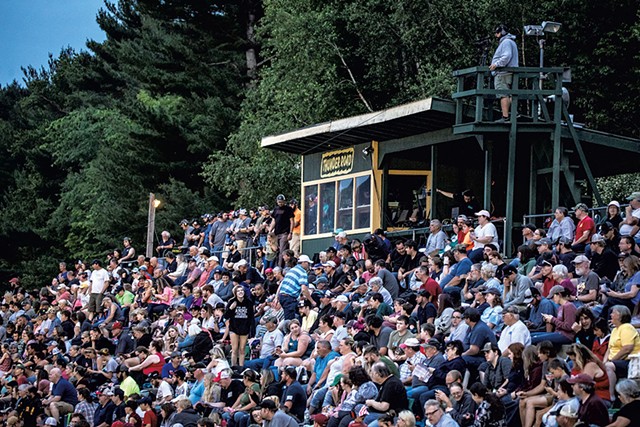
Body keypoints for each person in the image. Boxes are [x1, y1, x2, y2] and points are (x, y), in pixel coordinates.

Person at [489, 24, 518, 122]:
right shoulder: (511, 42)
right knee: (508, 94)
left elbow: (506, 56)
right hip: (509, 72)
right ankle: (514, 113)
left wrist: (496, 64)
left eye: (497, 33)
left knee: (503, 94)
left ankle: (505, 117)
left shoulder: (506, 42)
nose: (496, 35)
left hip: (503, 73)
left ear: (502, 32)